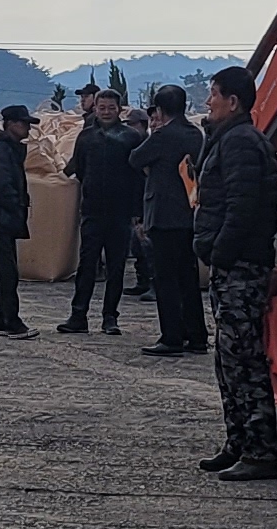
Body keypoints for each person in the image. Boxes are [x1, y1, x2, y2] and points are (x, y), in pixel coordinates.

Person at [194, 66, 277, 479]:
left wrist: (219, 251)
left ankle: (260, 451)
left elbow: (242, 207)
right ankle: (238, 441)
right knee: (227, 359)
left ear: (233, 102)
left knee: (244, 358)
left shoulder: (243, 144)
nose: (208, 100)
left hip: (241, 265)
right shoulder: (228, 139)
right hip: (232, 264)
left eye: (214, 94)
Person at [59, 86, 144, 335]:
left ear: (120, 110)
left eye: (111, 108)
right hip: (92, 210)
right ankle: (78, 315)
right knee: (87, 264)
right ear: (95, 109)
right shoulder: (86, 138)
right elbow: (81, 170)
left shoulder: (131, 138)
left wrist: (136, 211)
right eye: (102, 107)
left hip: (121, 211)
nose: (106, 112)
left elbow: (138, 177)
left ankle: (110, 317)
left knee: (116, 266)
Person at [135, 83, 208, 357]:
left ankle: (172, 337)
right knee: (187, 277)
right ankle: (197, 336)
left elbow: (135, 158)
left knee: (165, 279)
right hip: (188, 214)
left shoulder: (163, 135)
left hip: (163, 215)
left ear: (161, 110)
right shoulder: (195, 134)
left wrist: (154, 134)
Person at [0, 103, 36, 337]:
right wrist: (16, 205)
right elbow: (0, 184)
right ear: (11, 124)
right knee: (8, 273)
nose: (28, 129)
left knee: (6, 272)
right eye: (24, 124)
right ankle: (11, 321)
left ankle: (2, 320)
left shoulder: (5, 148)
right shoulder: (3, 149)